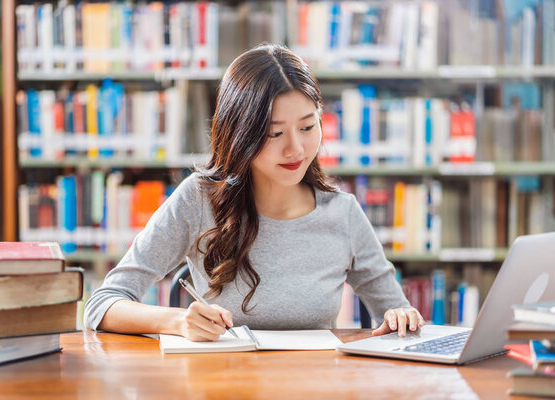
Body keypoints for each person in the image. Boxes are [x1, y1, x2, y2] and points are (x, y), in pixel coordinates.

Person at [84, 44, 424, 342]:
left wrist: (400, 316)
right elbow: (102, 304)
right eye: (274, 134)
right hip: (223, 384)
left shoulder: (343, 213)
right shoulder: (198, 200)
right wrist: (176, 321)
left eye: (308, 127)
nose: (296, 149)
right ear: (239, 134)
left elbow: (395, 312)